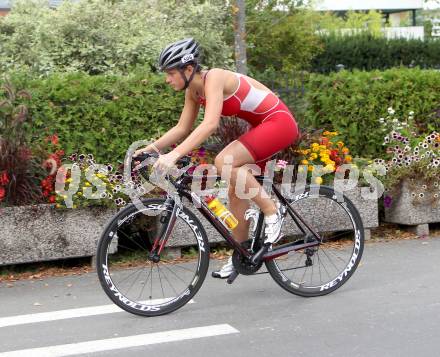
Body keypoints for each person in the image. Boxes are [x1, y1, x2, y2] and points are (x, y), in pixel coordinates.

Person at [134, 38, 299, 278]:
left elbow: (210, 124)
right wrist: (150, 149)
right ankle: (242, 254)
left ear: (188, 69)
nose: (167, 79)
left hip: (278, 122)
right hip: (260, 127)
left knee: (225, 161)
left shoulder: (216, 77)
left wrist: (174, 154)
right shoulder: (193, 90)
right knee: (236, 191)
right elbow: (182, 128)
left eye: (170, 73)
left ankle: (272, 212)